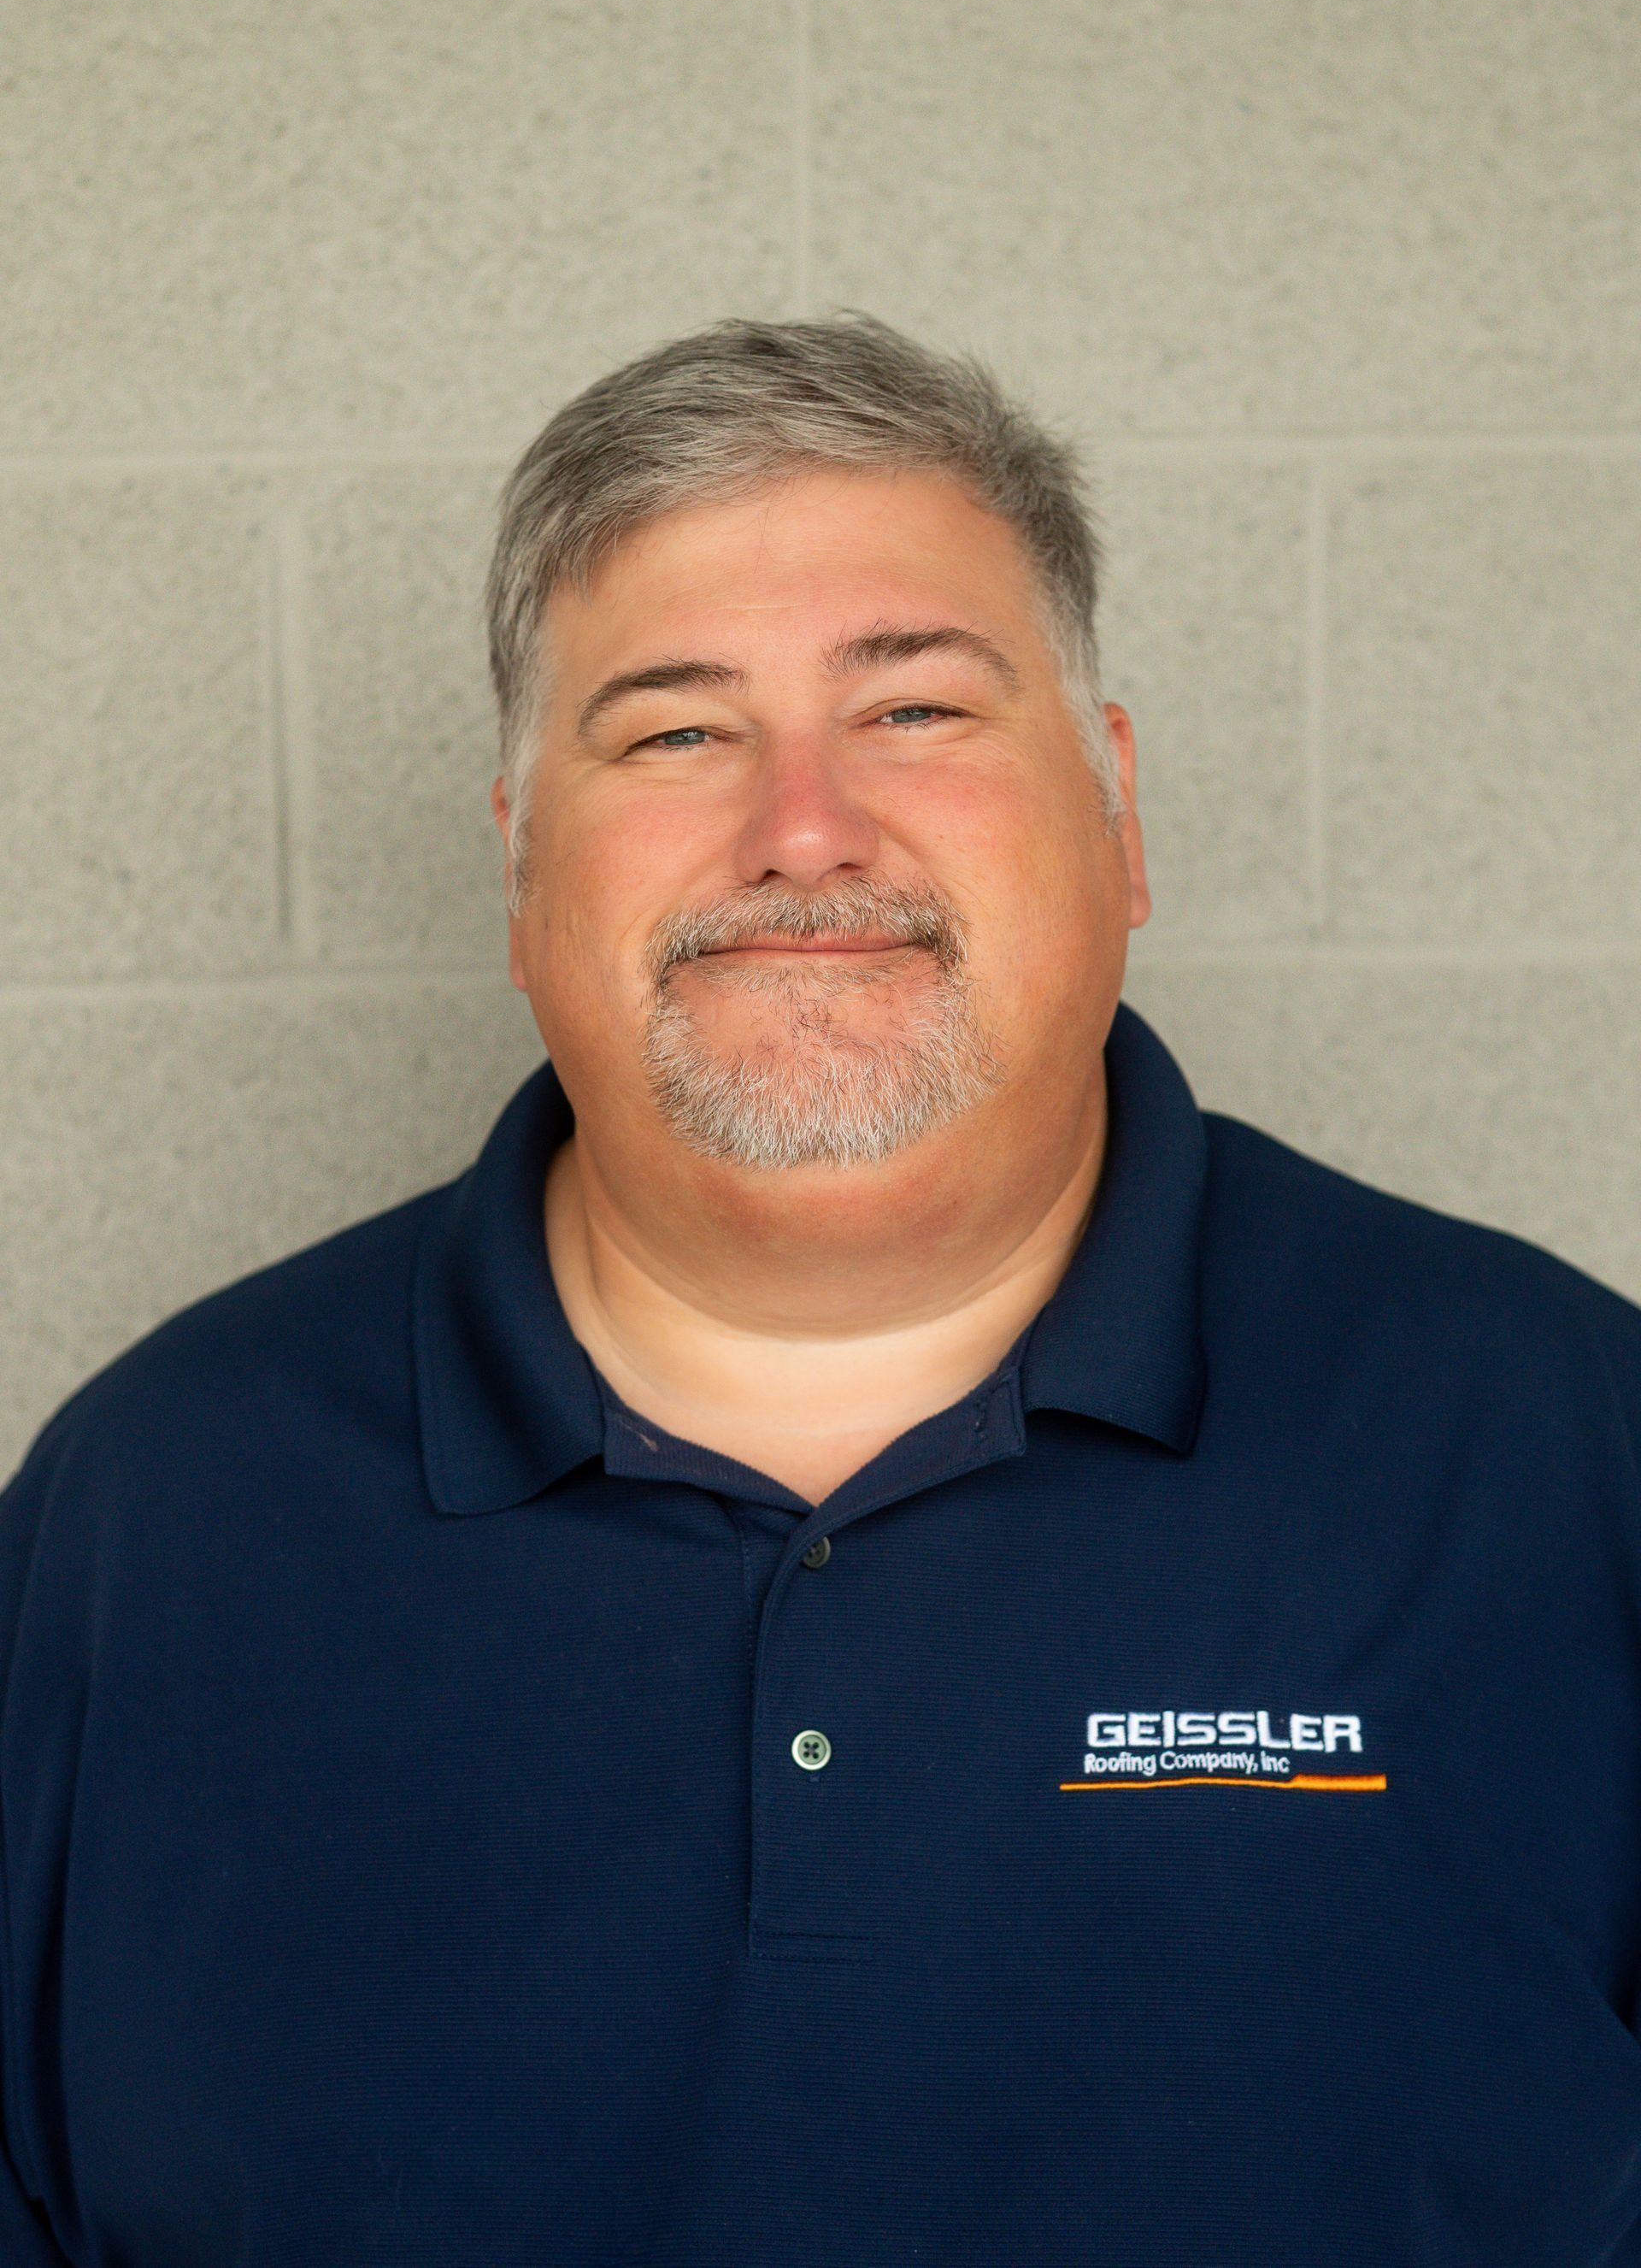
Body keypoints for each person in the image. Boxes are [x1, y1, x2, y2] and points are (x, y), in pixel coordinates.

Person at [3, 315, 1638, 2268]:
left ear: (1117, 807)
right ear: (523, 864)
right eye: (676, 729)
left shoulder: (1563, 1447)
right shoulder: (142, 1520)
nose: (802, 830)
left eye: (917, 711)